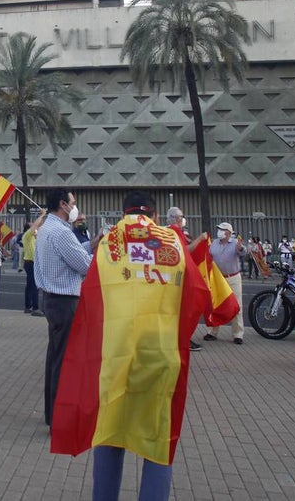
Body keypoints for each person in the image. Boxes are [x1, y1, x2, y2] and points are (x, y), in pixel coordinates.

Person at [51, 191, 209, 501]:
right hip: (161, 354)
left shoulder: (110, 241)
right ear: (155, 214)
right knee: (158, 438)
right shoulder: (173, 241)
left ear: (124, 212)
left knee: (110, 431)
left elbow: (92, 297)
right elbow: (196, 293)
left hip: (116, 353)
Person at [34, 187, 95, 427]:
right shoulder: (61, 232)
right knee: (64, 361)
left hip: (52, 299)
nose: (76, 208)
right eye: (73, 203)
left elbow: (74, 254)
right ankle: (59, 418)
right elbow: (84, 265)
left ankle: (53, 414)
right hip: (64, 300)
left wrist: (93, 243)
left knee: (55, 358)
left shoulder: (48, 228)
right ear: (63, 204)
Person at [165, 206, 204, 353]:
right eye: (181, 217)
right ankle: (183, 339)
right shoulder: (175, 231)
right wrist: (200, 239)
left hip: (172, 276)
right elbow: (185, 251)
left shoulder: (168, 231)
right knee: (183, 309)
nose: (183, 220)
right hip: (178, 277)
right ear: (177, 219)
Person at [204, 222, 246, 345]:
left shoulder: (234, 244)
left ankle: (238, 334)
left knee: (237, 306)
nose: (220, 231)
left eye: (222, 229)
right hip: (217, 279)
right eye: (219, 229)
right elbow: (208, 256)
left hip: (232, 277)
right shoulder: (214, 243)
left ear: (228, 232)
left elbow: (243, 252)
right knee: (215, 304)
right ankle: (212, 332)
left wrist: (241, 248)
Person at [21, 214, 46, 316]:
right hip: (30, 263)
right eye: (32, 226)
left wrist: (43, 218)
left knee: (30, 285)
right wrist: (42, 214)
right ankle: (35, 308)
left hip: (32, 262)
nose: (36, 229)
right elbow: (36, 225)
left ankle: (28, 306)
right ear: (29, 228)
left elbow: (40, 226)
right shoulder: (27, 236)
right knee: (35, 285)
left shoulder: (33, 238)